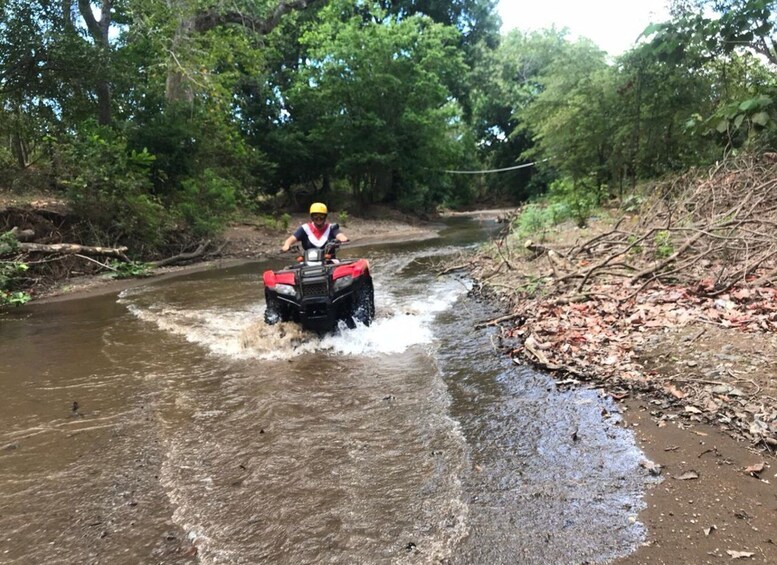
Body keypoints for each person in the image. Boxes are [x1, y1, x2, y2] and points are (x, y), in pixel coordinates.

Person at [281, 202, 349, 254]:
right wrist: (286, 245)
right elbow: (291, 239)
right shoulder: (305, 228)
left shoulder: (331, 228)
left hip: (329, 261)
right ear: (311, 217)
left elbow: (339, 235)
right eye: (315, 216)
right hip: (308, 261)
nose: (318, 218)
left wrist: (343, 239)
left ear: (325, 216)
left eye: (321, 216)